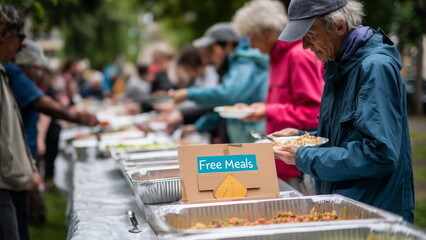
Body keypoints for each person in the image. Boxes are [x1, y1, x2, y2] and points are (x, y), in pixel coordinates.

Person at [272, 0, 414, 222]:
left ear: (338, 26)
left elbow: (379, 154)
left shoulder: (375, 68)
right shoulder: (339, 64)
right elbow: (346, 134)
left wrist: (305, 156)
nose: (305, 46)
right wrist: (303, 137)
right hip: (348, 209)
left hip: (373, 214)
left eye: (311, 34)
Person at [232, 0, 324, 194]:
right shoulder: (276, 58)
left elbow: (313, 113)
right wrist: (260, 109)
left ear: (268, 31)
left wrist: (268, 110)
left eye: (252, 37)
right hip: (281, 165)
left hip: (298, 167)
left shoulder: (297, 56)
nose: (251, 44)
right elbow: (285, 104)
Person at [171, 23, 268, 143]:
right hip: (247, 138)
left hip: (257, 137)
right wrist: (198, 126)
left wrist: (188, 94)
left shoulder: (244, 62)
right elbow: (229, 107)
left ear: (227, 46)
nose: (209, 59)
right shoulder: (235, 65)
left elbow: (229, 95)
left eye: (211, 51)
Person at [0, 4, 40, 240]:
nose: (23, 43)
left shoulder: (4, 69)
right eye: (20, 36)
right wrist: (22, 174)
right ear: (2, 33)